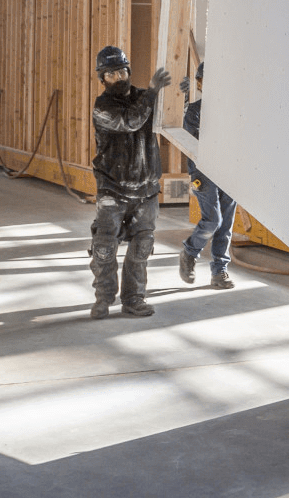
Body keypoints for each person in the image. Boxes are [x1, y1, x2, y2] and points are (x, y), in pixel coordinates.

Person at [88, 45, 169, 319]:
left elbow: (167, 112)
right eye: (111, 74)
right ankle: (103, 299)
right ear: (102, 79)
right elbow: (131, 121)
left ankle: (134, 298)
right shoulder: (103, 108)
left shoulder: (145, 97)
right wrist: (153, 93)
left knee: (142, 246)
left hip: (146, 190)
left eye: (122, 71)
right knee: (104, 247)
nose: (118, 78)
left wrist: (178, 92)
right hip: (113, 189)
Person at [178, 61, 237, 290]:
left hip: (230, 169)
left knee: (226, 225)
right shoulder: (194, 111)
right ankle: (190, 252)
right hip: (203, 171)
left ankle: (219, 272)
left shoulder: (233, 111)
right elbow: (189, 144)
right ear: (200, 83)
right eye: (204, 81)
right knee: (213, 220)